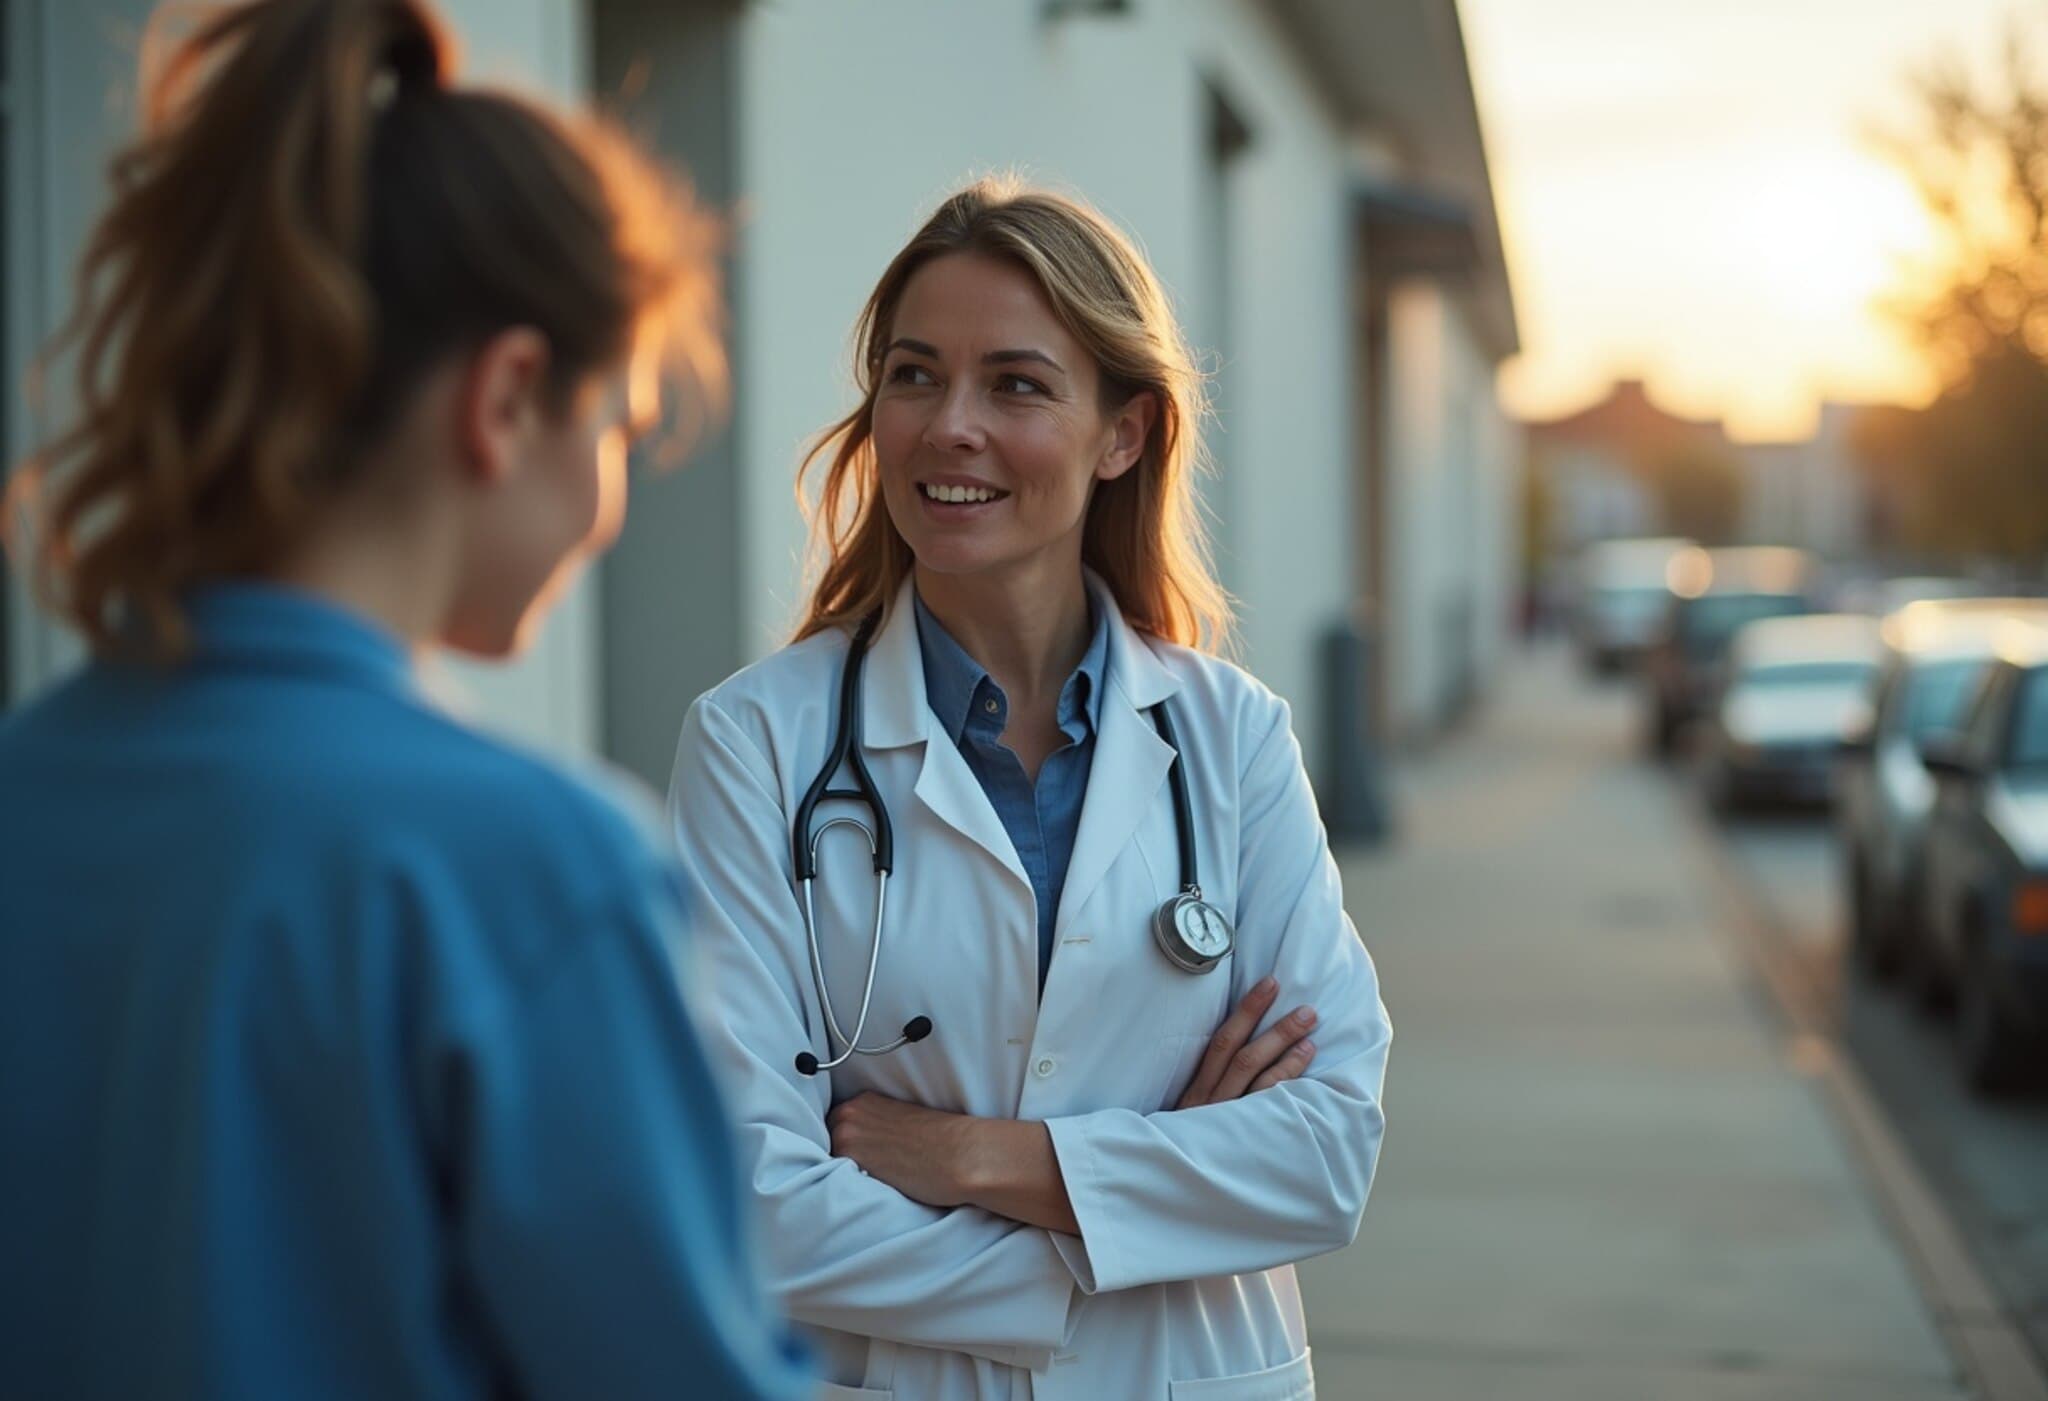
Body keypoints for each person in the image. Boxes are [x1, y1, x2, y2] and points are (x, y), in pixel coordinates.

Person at [0, 2, 810, 1398]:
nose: (611, 500)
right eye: (614, 426)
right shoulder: (537, 872)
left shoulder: (29, 788)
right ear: (504, 401)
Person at [667, 178, 1392, 1400]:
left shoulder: (1232, 739)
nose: (949, 425)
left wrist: (967, 1156)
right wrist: (1135, 1223)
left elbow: (1324, 1156)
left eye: (1015, 383)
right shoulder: (756, 745)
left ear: (1124, 434)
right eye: (912, 375)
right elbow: (747, 1199)